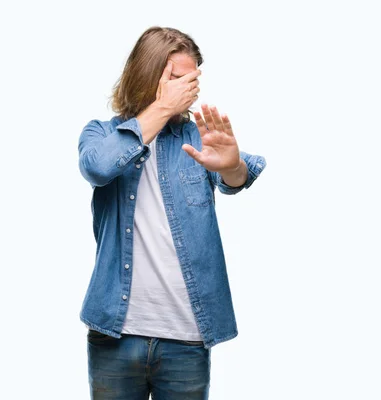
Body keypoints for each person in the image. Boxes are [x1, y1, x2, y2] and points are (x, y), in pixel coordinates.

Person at [77, 26, 266, 399]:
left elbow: (236, 175)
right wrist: (161, 108)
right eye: (177, 79)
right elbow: (99, 168)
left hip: (187, 340)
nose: (189, 89)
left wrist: (231, 167)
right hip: (114, 334)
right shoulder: (101, 133)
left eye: (193, 79)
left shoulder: (196, 137)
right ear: (146, 75)